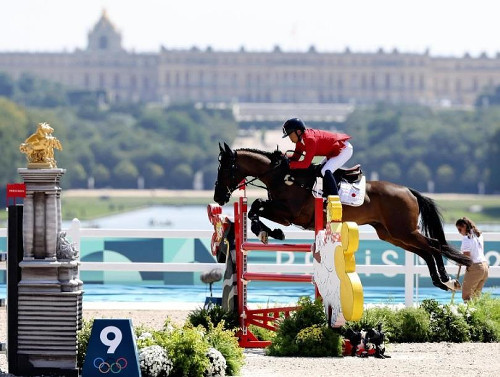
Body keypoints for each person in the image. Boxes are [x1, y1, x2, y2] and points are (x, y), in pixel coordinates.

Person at [282, 117, 353, 198]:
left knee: (325, 171)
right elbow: (296, 157)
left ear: (298, 132)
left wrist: (289, 165)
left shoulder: (310, 140)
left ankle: (335, 198)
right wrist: (283, 156)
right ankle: (326, 194)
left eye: (290, 135)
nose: (290, 138)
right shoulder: (300, 141)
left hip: (344, 149)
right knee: (319, 170)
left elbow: (305, 164)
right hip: (332, 151)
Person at [455, 217, 489, 301]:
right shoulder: (479, 235)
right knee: (476, 297)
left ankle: (468, 313)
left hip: (475, 268)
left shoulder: (466, 239)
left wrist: (460, 261)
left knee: (466, 296)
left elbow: (467, 257)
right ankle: (476, 313)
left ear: (465, 226)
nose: (459, 232)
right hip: (485, 267)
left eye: (460, 229)